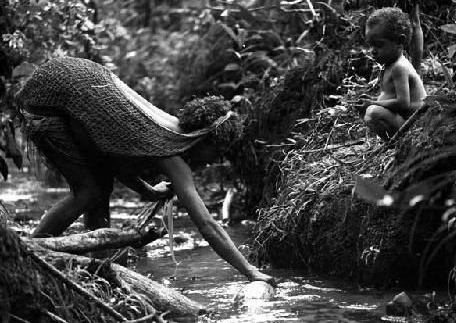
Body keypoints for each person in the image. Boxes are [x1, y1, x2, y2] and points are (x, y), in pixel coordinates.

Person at [16, 56, 274, 286]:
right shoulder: (171, 152)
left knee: (100, 188)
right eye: (216, 153)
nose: (213, 160)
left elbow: (118, 164)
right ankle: (27, 253)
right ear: (203, 138)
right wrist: (250, 271)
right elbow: (207, 225)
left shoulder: (160, 130)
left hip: (60, 100)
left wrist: (149, 191)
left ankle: (98, 272)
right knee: (89, 192)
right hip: (48, 106)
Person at [355, 7, 426, 141]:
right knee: (367, 109)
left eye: (378, 45)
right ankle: (393, 141)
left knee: (373, 112)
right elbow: (390, 96)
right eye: (370, 45)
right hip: (404, 121)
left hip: (415, 124)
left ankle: (397, 142)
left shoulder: (399, 67)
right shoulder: (390, 65)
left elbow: (403, 104)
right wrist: (371, 101)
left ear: (400, 41)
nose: (373, 51)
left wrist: (372, 103)